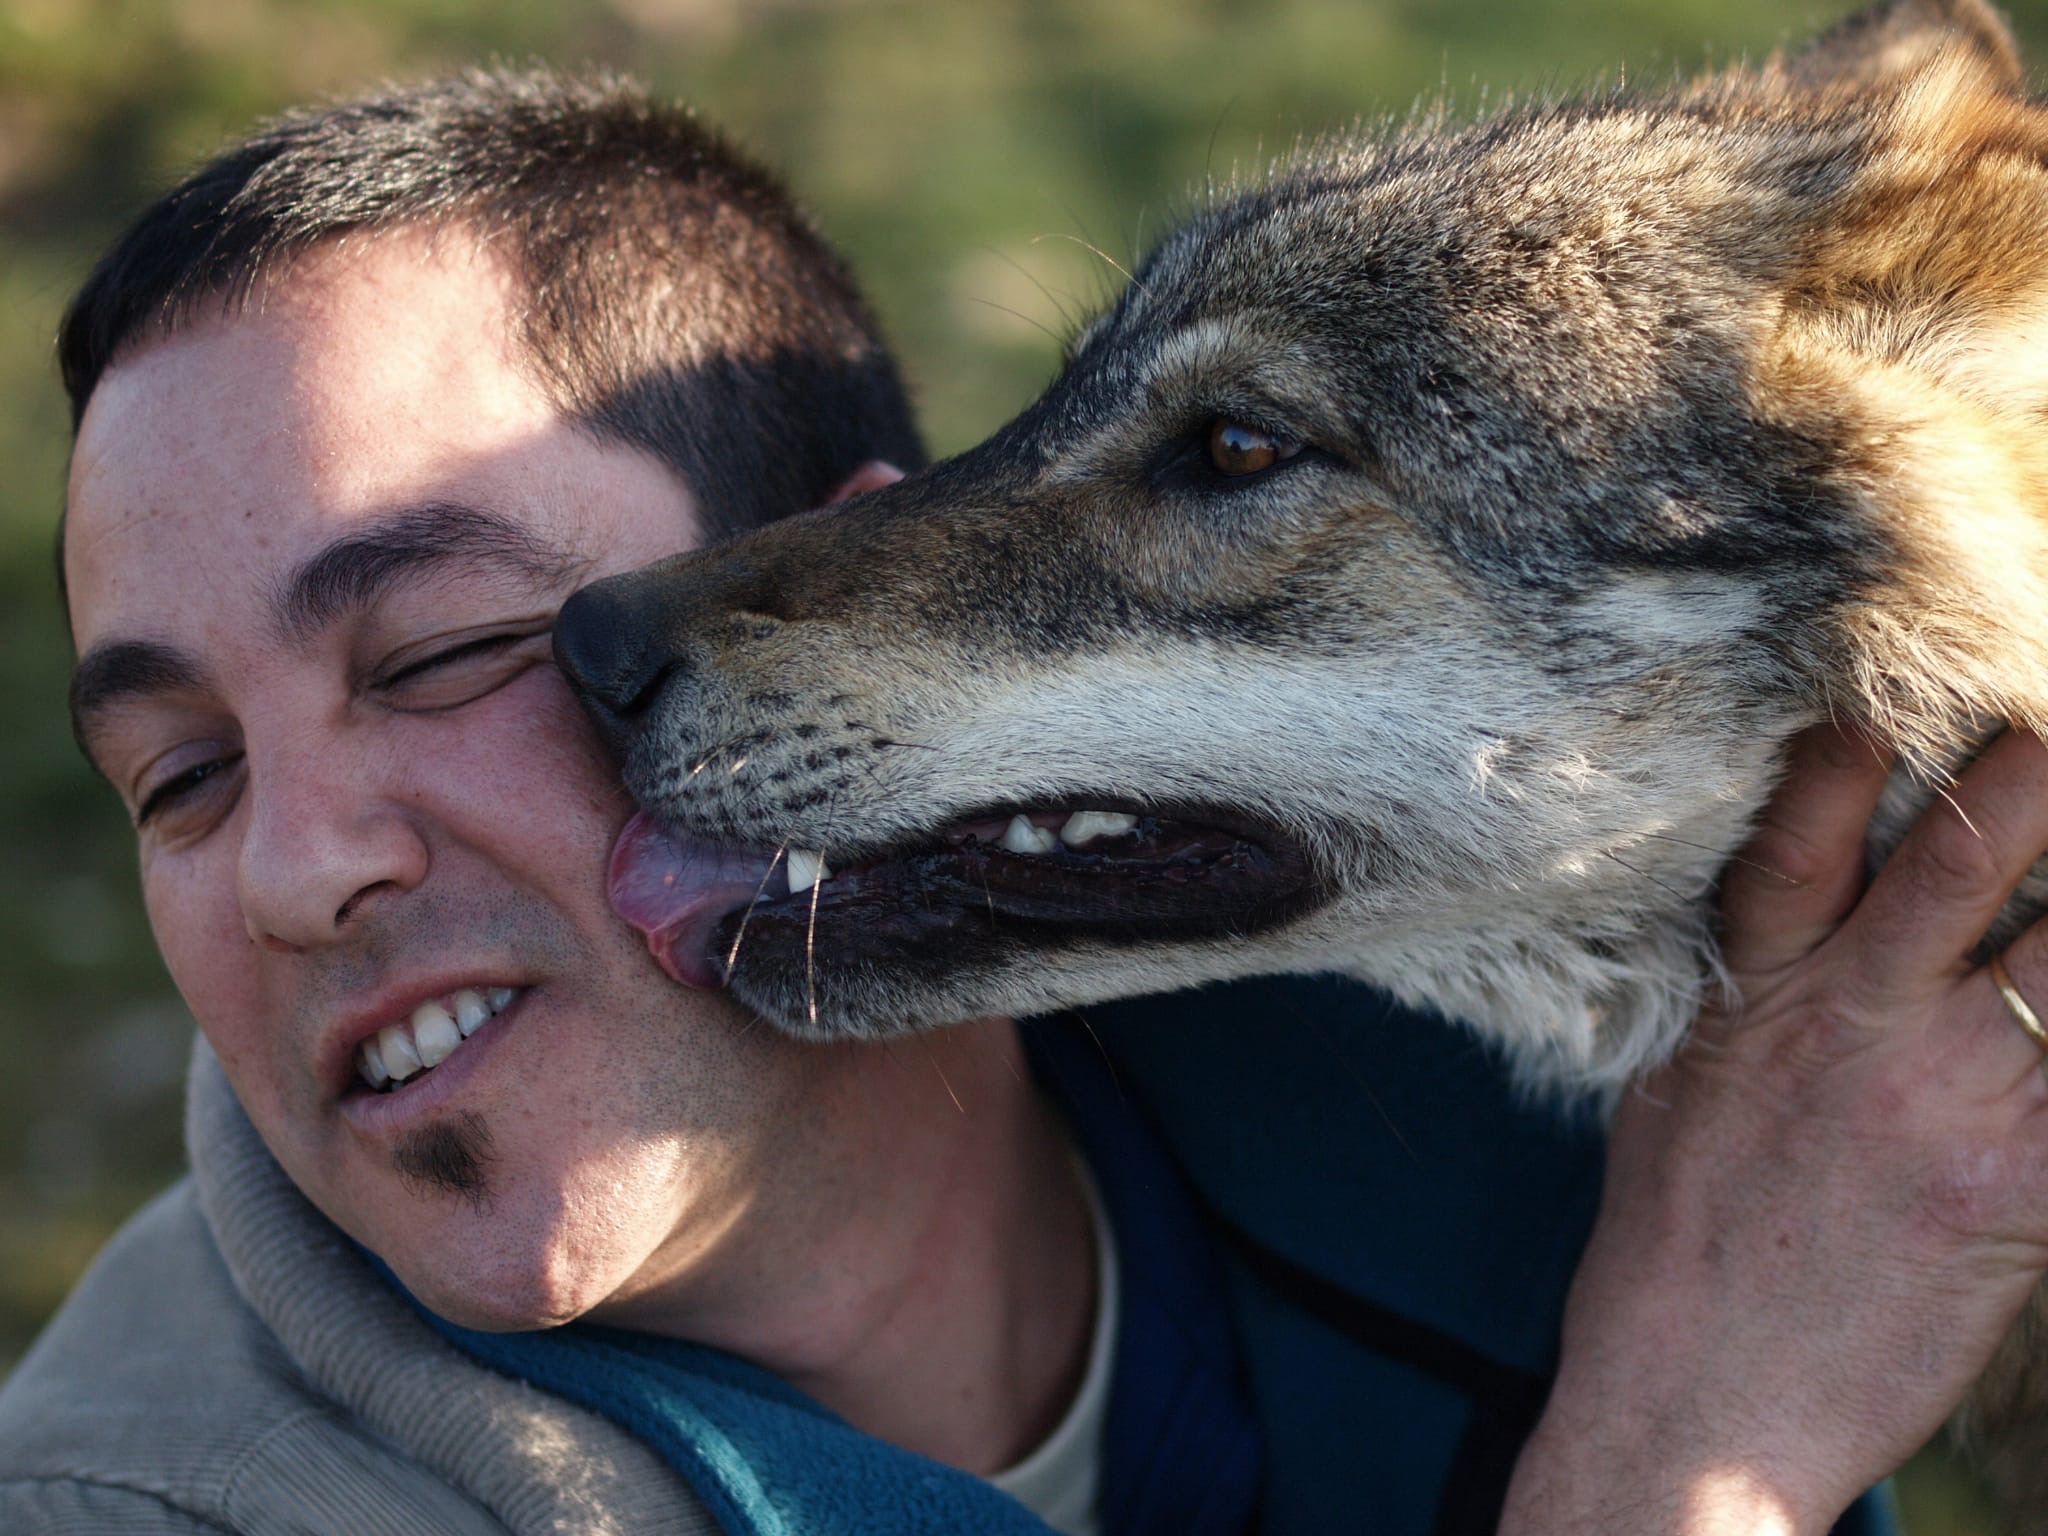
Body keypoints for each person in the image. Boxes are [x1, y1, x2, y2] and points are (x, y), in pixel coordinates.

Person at [6, 65, 2048, 1536]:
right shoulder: (149, 1506)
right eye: (176, 778)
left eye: (448, 650)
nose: (295, 868)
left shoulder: (1553, 1119)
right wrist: (1689, 1457)